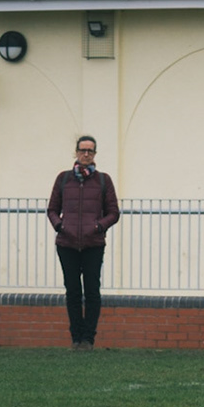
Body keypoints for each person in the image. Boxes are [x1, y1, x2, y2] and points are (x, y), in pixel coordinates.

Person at [46, 135, 119, 349]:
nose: (86, 154)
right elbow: (52, 209)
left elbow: (114, 213)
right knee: (73, 291)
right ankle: (76, 338)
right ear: (76, 152)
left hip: (93, 244)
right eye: (82, 150)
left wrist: (98, 227)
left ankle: (88, 338)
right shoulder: (63, 179)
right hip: (66, 244)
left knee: (92, 291)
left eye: (90, 151)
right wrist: (60, 226)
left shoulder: (103, 180)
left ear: (95, 154)